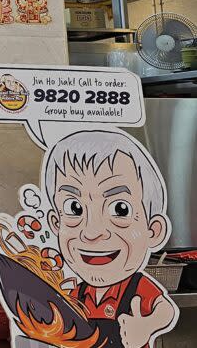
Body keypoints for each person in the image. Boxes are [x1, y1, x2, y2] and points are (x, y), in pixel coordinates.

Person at [44, 130, 177, 348]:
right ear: (56, 223)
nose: (92, 232)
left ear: (153, 230)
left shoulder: (136, 287)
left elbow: (166, 310)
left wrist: (146, 326)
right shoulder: (78, 293)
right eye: (74, 208)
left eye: (120, 209)